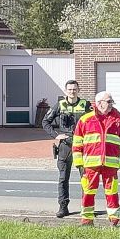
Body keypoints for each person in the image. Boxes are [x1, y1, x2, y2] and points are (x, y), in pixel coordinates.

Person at [72, 91, 120, 226]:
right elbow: (77, 142)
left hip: (110, 164)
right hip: (90, 164)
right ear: (99, 103)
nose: (111, 104)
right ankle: (87, 220)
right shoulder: (85, 119)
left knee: (112, 192)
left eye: (111, 102)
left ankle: (114, 220)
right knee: (88, 192)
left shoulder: (118, 121)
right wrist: (78, 162)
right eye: (109, 102)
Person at [42, 80, 91, 218]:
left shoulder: (85, 105)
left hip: (82, 145)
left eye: (74, 89)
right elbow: (45, 122)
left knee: (85, 178)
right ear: (66, 91)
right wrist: (56, 135)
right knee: (63, 178)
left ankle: (86, 207)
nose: (72, 91)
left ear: (78, 90)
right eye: (70, 89)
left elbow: (95, 121)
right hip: (65, 145)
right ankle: (63, 207)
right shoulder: (60, 105)